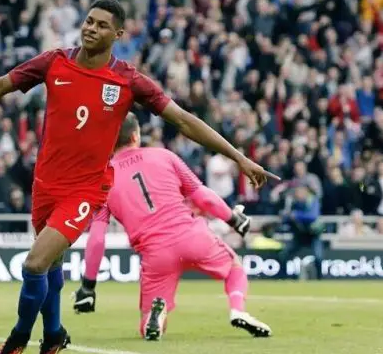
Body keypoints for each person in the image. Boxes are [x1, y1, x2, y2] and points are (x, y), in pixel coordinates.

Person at [0, 0, 277, 354]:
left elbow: (184, 120)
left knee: (34, 263)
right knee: (51, 268)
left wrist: (238, 157)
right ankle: (54, 335)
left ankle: (18, 336)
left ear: (118, 34)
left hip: (84, 191)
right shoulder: (54, 62)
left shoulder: (127, 80)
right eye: (89, 21)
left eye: (101, 25)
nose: (91, 28)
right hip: (45, 185)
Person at [72, 113, 271, 340]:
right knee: (234, 267)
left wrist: (88, 286)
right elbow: (202, 197)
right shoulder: (164, 155)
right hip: (192, 236)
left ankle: (155, 314)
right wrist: (233, 219)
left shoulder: (102, 180)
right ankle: (237, 310)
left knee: (147, 324)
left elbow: (97, 237)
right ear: (135, 136)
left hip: (156, 254)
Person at [278, 184, 324, 279]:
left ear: (306, 192)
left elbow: (313, 216)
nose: (298, 194)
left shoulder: (312, 200)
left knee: (318, 256)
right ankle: (283, 277)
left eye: (300, 192)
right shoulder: (293, 202)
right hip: (299, 235)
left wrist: (296, 215)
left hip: (313, 234)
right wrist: (285, 215)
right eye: (297, 192)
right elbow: (286, 218)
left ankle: (319, 279)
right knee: (284, 254)